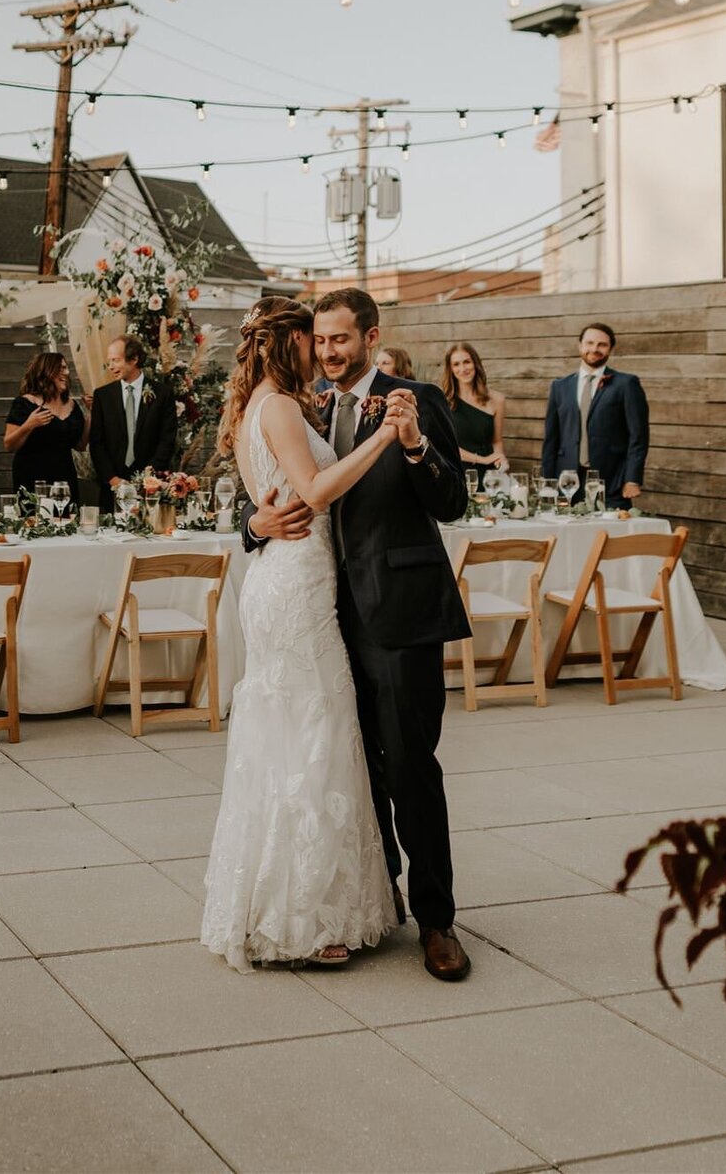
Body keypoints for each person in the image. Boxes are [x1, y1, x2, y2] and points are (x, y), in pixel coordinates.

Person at [243, 287, 472, 983]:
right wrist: (251, 527)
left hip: (398, 615)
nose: (329, 351)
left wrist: (413, 446)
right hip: (321, 610)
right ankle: (381, 894)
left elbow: (453, 501)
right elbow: (265, 489)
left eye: (342, 338)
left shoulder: (414, 398)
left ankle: (438, 920)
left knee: (409, 766)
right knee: (351, 766)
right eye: (320, 339)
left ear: (373, 336)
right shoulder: (301, 403)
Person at [201, 298, 399, 972]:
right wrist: (379, 439)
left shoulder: (269, 403)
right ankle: (301, 915)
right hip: (294, 589)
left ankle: (287, 901)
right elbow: (312, 491)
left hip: (293, 579)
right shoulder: (280, 407)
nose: (319, 352)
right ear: (283, 345)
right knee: (309, 736)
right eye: (308, 341)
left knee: (294, 733)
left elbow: (279, 496)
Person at [541, 322, 649, 507]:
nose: (594, 349)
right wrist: (548, 482)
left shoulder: (626, 384)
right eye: (589, 343)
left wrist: (632, 479)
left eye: (602, 345)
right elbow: (551, 438)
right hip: (566, 482)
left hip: (611, 480)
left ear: (610, 349)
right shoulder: (560, 386)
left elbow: (638, 436)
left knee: (608, 535)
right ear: (580, 345)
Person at [88, 335, 177, 514]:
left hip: (152, 488)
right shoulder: (102, 396)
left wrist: (149, 478)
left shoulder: (162, 393)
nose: (111, 366)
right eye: (109, 361)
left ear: (134, 359)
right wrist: (113, 479)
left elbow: (167, 438)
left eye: (116, 360)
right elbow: (96, 442)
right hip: (112, 489)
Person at [3, 352, 89, 502]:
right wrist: (29, 425)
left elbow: (80, 445)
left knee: (66, 521)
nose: (66, 373)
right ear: (46, 371)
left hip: (64, 477)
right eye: (61, 368)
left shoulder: (72, 405)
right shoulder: (24, 403)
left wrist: (91, 413)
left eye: (66, 368)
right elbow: (9, 444)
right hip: (32, 477)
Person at [441, 340, 508, 470]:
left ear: (475, 363)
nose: (463, 369)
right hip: (456, 471)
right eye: (456, 364)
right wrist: (482, 460)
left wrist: (500, 460)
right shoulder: (443, 401)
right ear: (451, 369)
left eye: (467, 362)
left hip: (489, 474)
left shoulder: (497, 399)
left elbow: (497, 441)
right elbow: (445, 446)